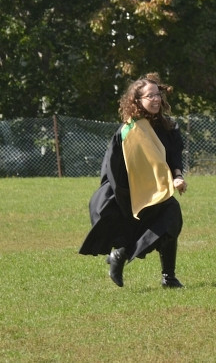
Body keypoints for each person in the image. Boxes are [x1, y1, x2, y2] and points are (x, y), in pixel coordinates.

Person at [79, 74, 188, 288]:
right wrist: (131, 197)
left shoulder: (167, 127)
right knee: (162, 217)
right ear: (137, 101)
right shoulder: (128, 131)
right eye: (150, 96)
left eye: (158, 94)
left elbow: (174, 155)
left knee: (171, 218)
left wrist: (177, 176)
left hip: (157, 191)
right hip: (127, 194)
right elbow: (114, 169)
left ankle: (166, 276)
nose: (156, 99)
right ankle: (121, 255)